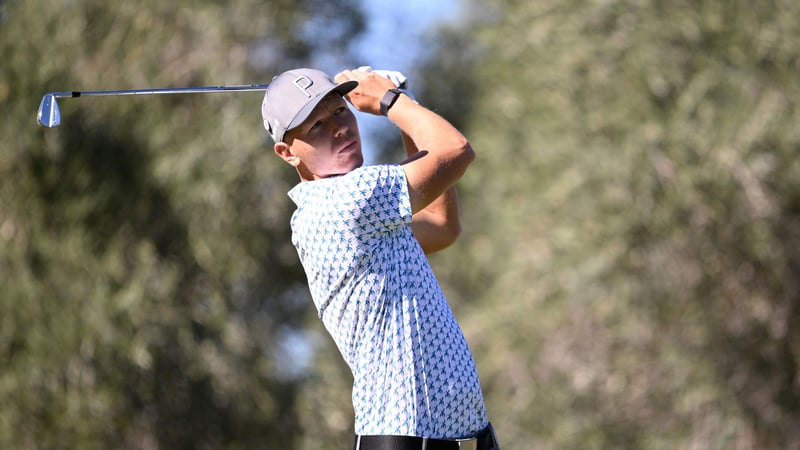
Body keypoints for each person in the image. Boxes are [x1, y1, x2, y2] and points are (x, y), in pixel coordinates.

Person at [261, 66, 500, 450]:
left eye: (339, 111)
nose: (338, 128)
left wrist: (404, 109)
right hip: (405, 441)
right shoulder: (344, 202)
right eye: (315, 126)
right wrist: (391, 100)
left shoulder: (368, 212)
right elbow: (455, 151)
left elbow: (441, 225)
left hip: (458, 438)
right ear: (287, 153)